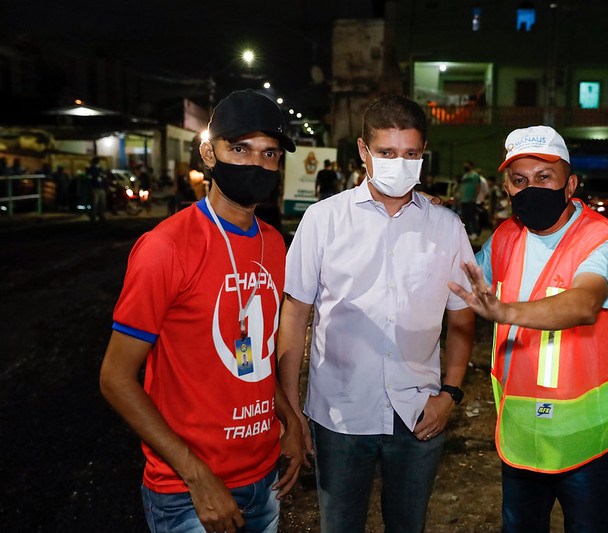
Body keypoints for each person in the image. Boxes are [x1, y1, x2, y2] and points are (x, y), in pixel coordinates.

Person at [99, 89, 304, 533]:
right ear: (209, 153)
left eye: (269, 153)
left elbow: (252, 354)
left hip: (263, 478)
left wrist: (289, 420)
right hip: (189, 492)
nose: (256, 163)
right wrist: (197, 476)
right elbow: (115, 378)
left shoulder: (273, 243)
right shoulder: (165, 247)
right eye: (240, 149)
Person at [278, 94, 476, 533]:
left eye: (410, 154)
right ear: (364, 151)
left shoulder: (446, 227)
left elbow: (462, 318)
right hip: (340, 417)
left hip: (419, 414)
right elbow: (294, 318)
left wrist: (452, 394)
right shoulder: (322, 220)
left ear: (424, 154)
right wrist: (291, 414)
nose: (398, 163)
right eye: (386, 153)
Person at [448, 125, 608, 533]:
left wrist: (505, 312)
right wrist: (431, 215)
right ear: (506, 188)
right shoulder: (504, 238)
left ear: (569, 184)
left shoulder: (598, 238)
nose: (530, 188)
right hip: (522, 436)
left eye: (543, 177)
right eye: (519, 181)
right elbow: (460, 280)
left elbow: (584, 303)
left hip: (587, 442)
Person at [460, 160, 481, 240]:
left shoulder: (475, 175)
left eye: (466, 165)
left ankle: (474, 233)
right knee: (465, 218)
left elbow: (478, 187)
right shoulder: (465, 176)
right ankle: (468, 233)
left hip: (471, 200)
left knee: (472, 217)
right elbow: (462, 187)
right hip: (464, 200)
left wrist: (474, 197)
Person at [86, 157, 107, 222]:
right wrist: (90, 188)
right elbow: (89, 180)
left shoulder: (100, 169)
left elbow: (104, 179)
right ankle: (93, 217)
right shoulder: (91, 170)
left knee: (102, 203)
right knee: (95, 204)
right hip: (95, 189)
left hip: (101, 189)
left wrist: (106, 187)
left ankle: (102, 216)